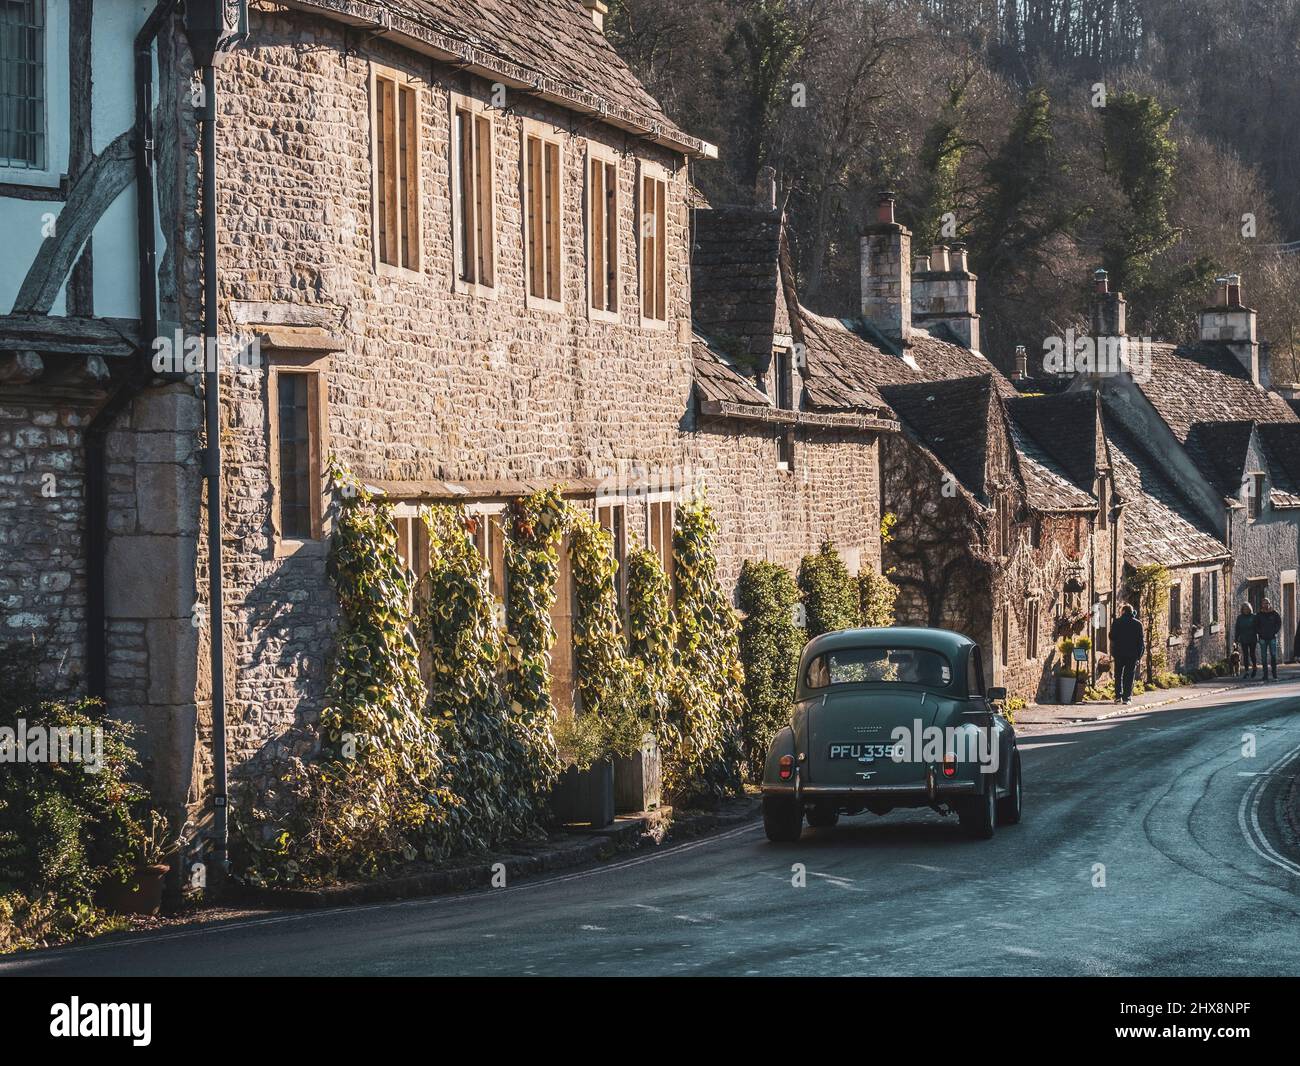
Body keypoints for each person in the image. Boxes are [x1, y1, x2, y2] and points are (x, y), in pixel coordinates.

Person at [1108, 603, 1144, 705]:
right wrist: (1139, 655)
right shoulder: (1138, 624)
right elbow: (1140, 642)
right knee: (1129, 676)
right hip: (1132, 654)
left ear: (1123, 611)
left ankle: (1118, 696)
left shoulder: (1117, 622)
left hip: (1119, 653)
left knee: (1118, 675)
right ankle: (1126, 698)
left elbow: (1112, 637)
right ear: (1131, 611)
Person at [1256, 598, 1282, 681]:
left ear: (1269, 604)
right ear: (1262, 605)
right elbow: (1256, 625)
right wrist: (1260, 633)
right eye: (1264, 603)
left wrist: (1275, 631)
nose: (1266, 605)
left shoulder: (1274, 614)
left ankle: (1274, 674)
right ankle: (1265, 675)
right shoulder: (1259, 615)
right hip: (1263, 638)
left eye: (1267, 603)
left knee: (1273, 656)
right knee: (1264, 657)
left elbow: (1279, 623)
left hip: (1272, 638)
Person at [1234, 603, 1258, 679]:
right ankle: (1246, 671)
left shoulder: (1253, 617)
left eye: (1247, 608)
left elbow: (1257, 627)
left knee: (1252, 654)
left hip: (1252, 638)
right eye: (1244, 609)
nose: (1246, 610)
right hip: (1244, 638)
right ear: (1242, 610)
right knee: (1245, 655)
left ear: (1250, 609)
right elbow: (1237, 629)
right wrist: (1236, 639)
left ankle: (1254, 668)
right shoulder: (1240, 618)